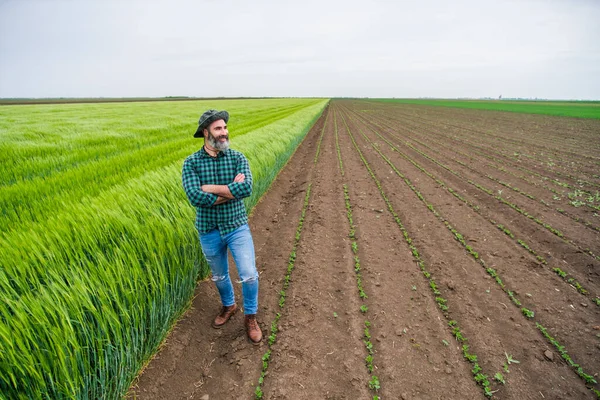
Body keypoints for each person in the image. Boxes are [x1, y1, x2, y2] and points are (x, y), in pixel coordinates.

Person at [182, 109, 262, 345]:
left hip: (236, 226)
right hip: (208, 229)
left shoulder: (238, 158)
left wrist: (210, 188)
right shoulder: (191, 163)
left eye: (225, 128)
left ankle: (251, 317)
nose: (224, 132)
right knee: (218, 275)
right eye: (218, 128)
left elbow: (246, 189)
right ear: (206, 133)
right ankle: (229, 306)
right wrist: (229, 190)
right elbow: (195, 197)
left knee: (248, 275)